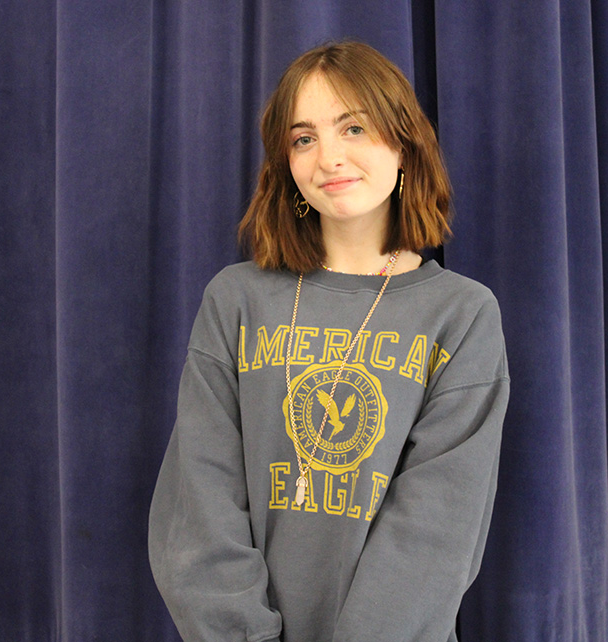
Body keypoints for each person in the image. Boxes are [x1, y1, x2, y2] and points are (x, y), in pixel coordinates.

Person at [148, 41, 509, 642]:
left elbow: (437, 535)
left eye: (354, 127)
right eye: (304, 138)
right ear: (285, 163)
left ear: (403, 143)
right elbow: (200, 508)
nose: (329, 157)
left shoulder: (462, 314)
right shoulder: (236, 299)